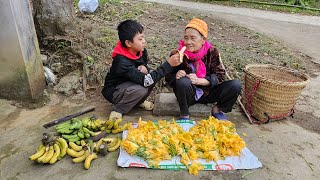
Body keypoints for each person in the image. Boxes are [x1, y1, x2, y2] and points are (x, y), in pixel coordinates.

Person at [102, 19, 181, 120]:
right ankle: (119, 109)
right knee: (142, 88)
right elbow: (146, 81)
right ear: (128, 43)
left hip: (131, 83)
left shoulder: (141, 51)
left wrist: (145, 67)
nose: (144, 41)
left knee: (151, 74)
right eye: (140, 39)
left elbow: (145, 68)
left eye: (143, 37)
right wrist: (168, 64)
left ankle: (138, 102)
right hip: (115, 91)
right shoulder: (121, 61)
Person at [165, 18, 242, 120]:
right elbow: (168, 77)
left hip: (209, 92)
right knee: (183, 81)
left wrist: (205, 81)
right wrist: (176, 75)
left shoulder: (212, 52)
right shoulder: (178, 54)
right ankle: (184, 113)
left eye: (193, 38)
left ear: (203, 40)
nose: (188, 42)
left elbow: (220, 76)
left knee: (235, 85)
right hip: (188, 94)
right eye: (186, 38)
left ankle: (217, 109)